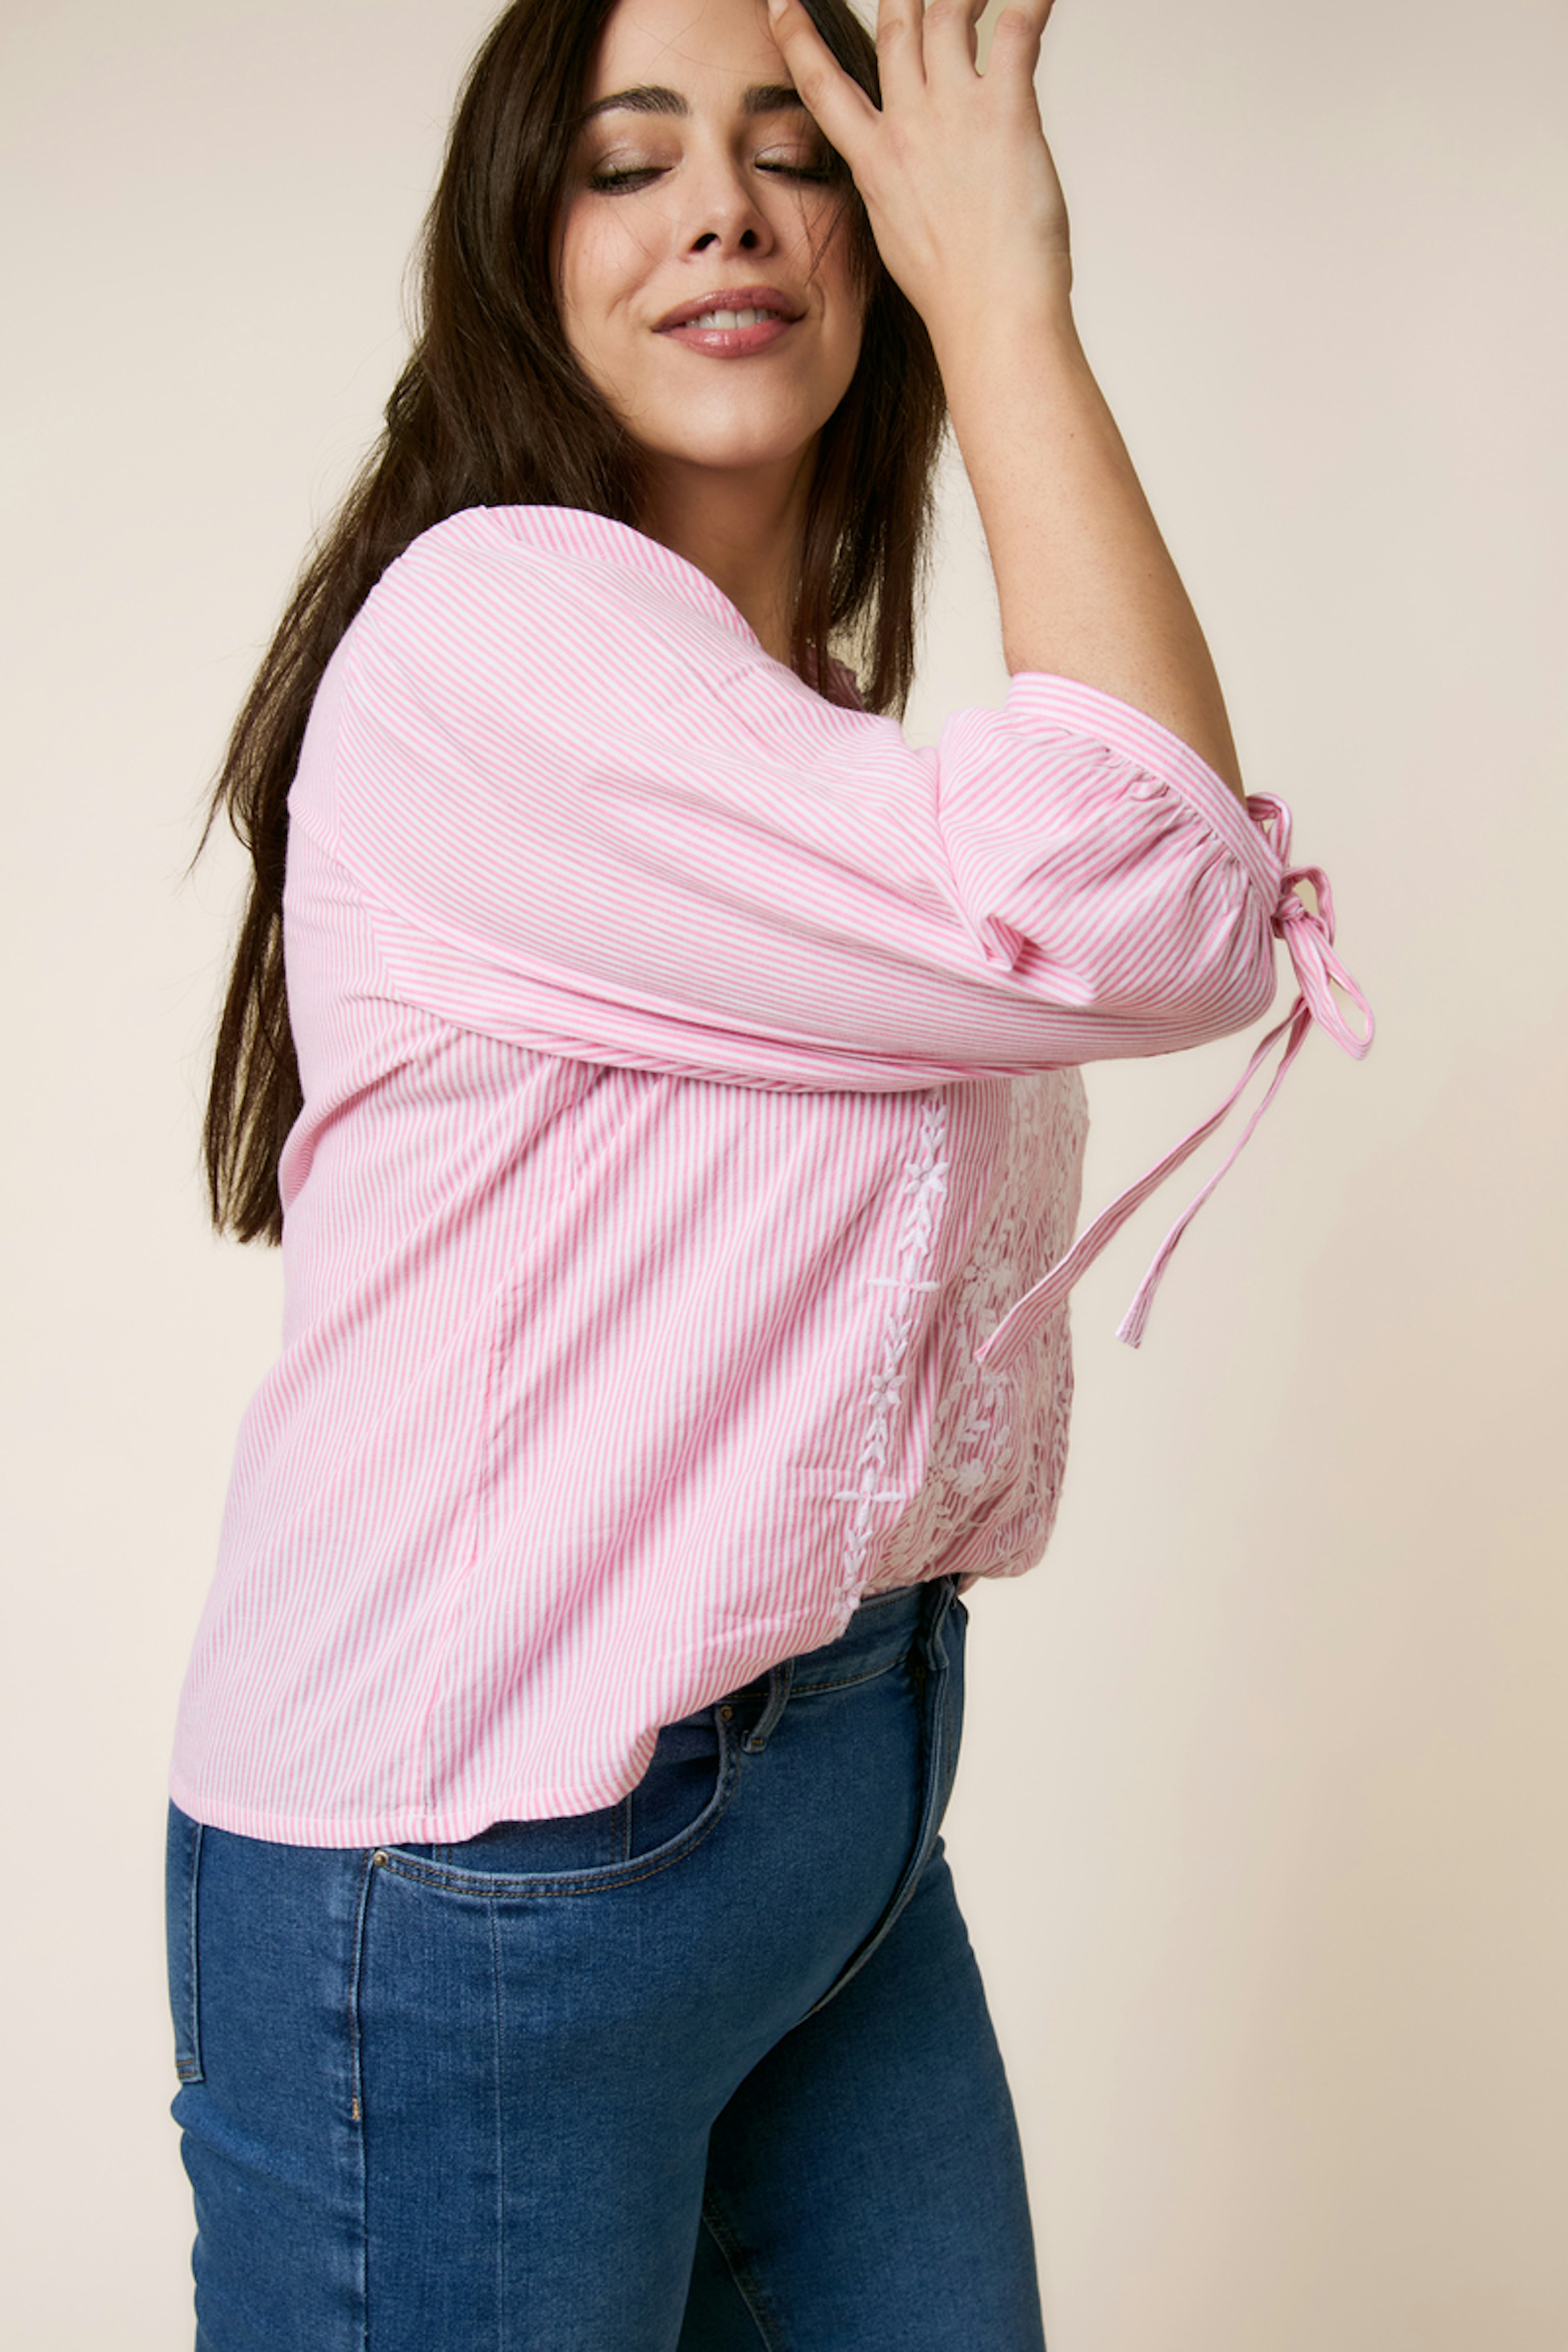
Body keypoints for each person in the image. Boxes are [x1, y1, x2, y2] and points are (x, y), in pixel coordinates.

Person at [166, 0, 1370, 2345]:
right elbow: (1145, 899)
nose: (721, 211)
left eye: (792, 153)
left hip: (834, 1822)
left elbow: (1116, 888)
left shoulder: (792, 738)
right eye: (630, 163)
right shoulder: (498, 637)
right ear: (518, 250)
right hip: (490, 1867)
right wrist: (1006, 297)